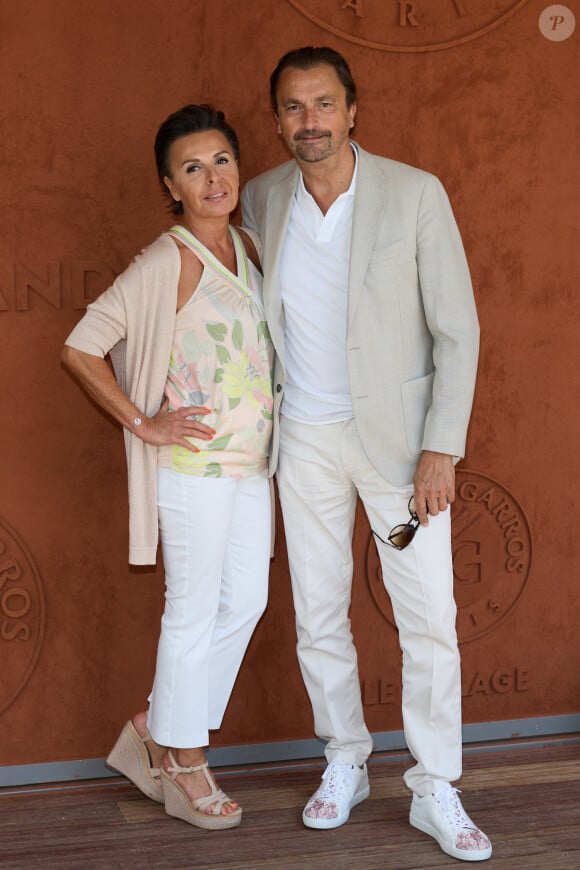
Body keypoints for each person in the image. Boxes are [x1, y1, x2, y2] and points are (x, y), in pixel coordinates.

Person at [241, 47, 491, 862]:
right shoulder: (262, 198)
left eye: (322, 105)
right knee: (318, 613)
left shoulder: (415, 194)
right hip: (303, 442)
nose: (307, 121)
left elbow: (458, 330)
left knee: (429, 621)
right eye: (292, 107)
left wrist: (439, 449)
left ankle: (436, 785)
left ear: (352, 111)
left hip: (397, 449)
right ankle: (344, 758)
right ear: (277, 118)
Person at [62, 104, 274, 831]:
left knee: (244, 601)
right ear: (170, 185)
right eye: (193, 168)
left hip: (253, 467)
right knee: (190, 613)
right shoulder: (166, 260)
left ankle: (156, 727)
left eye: (221, 160)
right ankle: (184, 761)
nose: (212, 177)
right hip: (192, 470)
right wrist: (142, 422)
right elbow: (81, 346)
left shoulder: (247, 245)